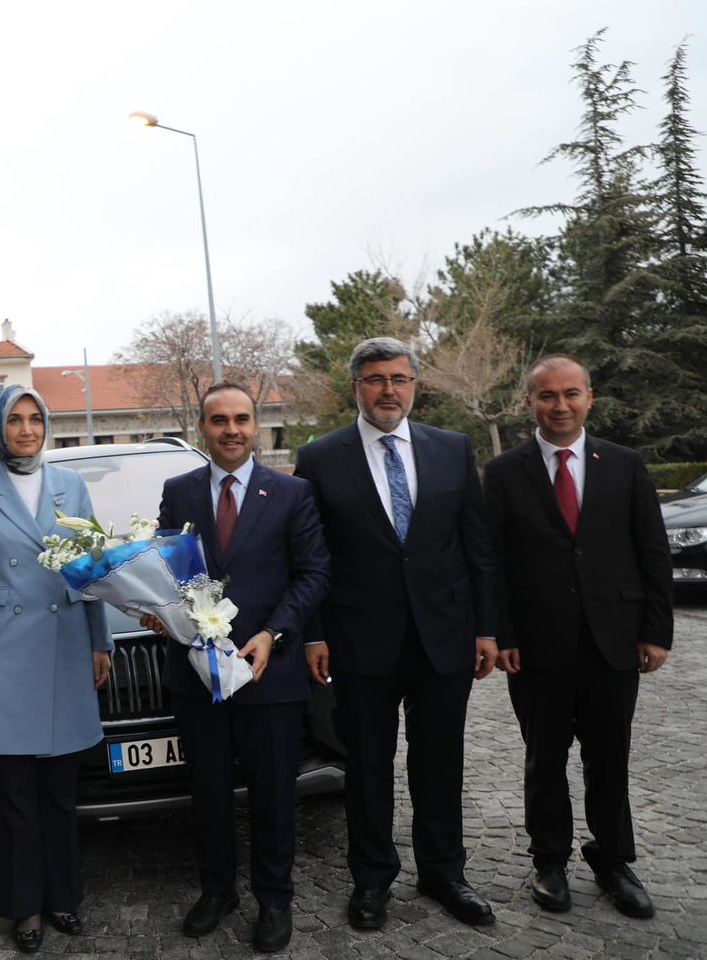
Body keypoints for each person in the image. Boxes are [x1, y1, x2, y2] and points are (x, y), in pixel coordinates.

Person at [293, 337, 500, 930]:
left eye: (401, 379)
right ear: (355, 386)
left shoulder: (452, 449)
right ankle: (372, 879)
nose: (390, 390)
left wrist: (486, 627)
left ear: (415, 384)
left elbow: (477, 547)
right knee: (367, 767)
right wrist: (313, 634)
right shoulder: (321, 458)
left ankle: (444, 873)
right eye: (377, 379)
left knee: (440, 761)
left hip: (445, 637)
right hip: (360, 642)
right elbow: (311, 557)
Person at [484, 354, 673, 918]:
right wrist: (503, 632)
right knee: (544, 758)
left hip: (614, 639)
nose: (559, 405)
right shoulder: (504, 472)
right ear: (529, 403)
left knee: (609, 755)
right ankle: (550, 861)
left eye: (570, 394)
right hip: (536, 647)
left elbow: (652, 552)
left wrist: (656, 631)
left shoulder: (625, 464)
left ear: (590, 398)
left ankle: (614, 860)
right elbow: (492, 561)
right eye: (547, 395)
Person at [147, 382, 330, 952]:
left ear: (258, 426)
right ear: (202, 427)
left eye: (242, 419)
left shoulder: (292, 492)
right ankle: (217, 890)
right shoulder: (178, 491)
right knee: (208, 791)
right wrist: (158, 611)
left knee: (274, 794)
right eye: (219, 420)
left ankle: (274, 900)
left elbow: (314, 574)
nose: (232, 429)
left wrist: (273, 633)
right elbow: (160, 567)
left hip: (268, 674)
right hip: (196, 675)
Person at [0, 385, 112, 954]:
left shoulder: (71, 486)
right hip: (2, 658)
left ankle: (64, 896)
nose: (25, 429)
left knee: (60, 795)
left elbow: (93, 572)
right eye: (15, 420)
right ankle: (24, 908)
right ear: (0, 427)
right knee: (14, 796)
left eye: (35, 419)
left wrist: (101, 643)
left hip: (65, 650)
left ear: (47, 425)